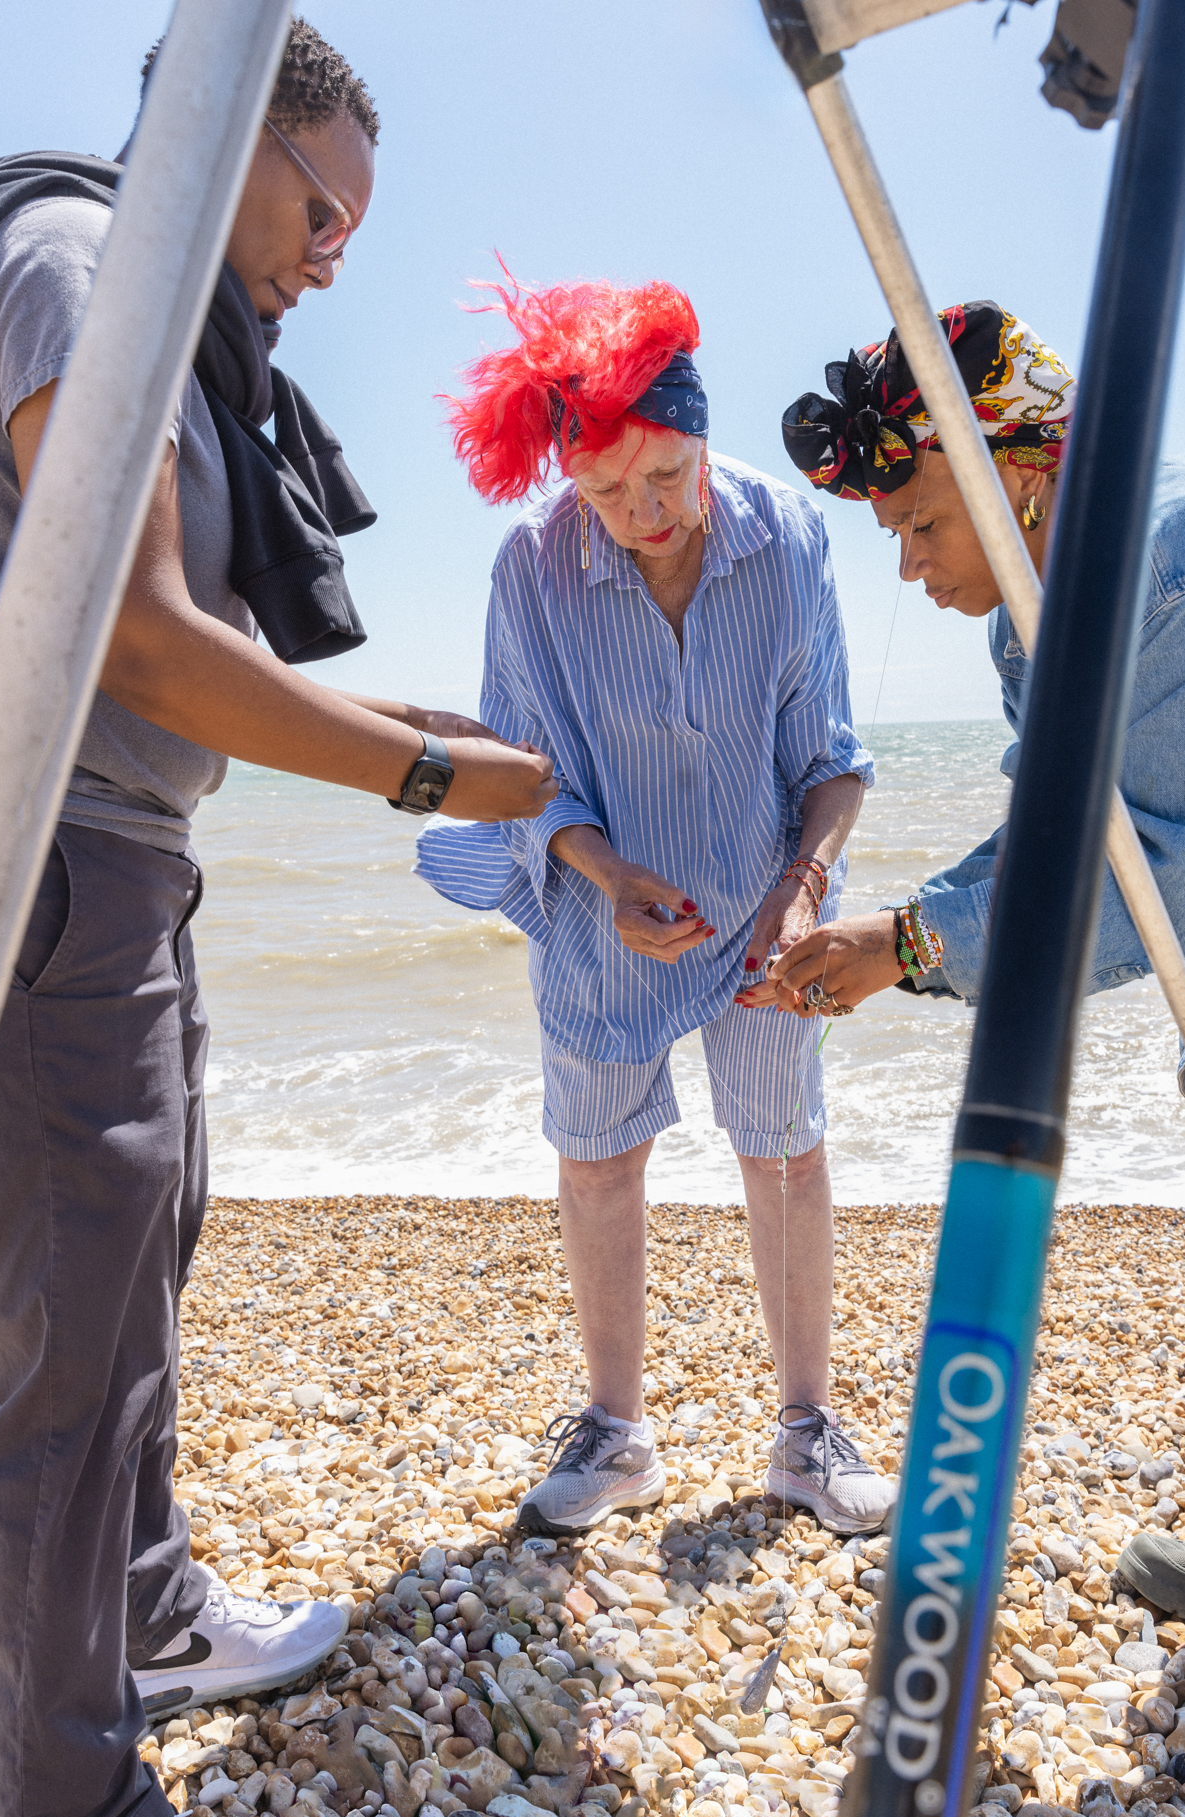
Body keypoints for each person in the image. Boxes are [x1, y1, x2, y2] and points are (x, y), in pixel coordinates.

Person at [0, 23, 554, 1817]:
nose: (333, 251)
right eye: (324, 205)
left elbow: (186, 660)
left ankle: (157, 1615)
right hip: (28, 860)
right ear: (227, 143)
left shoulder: (160, 319)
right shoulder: (80, 269)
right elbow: (138, 637)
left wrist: (419, 727)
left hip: (123, 857)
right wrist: (421, 768)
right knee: (70, 1349)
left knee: (145, 1250)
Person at [760, 302, 1185, 1763]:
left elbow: (1146, 864)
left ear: (1017, 467)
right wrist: (914, 928)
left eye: (921, 520)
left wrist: (913, 944)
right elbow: (1075, 821)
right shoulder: (1045, 613)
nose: (910, 562)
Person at [417, 274, 894, 1539]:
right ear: (568, 478)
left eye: (666, 478)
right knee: (597, 1156)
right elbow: (528, 774)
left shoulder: (786, 535)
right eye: (607, 492)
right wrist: (605, 872)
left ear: (699, 432)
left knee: (785, 1145)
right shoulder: (532, 569)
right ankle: (616, 1432)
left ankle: (804, 1429)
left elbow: (832, 759)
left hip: (767, 899)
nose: (644, 515)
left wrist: (800, 889)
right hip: (601, 907)